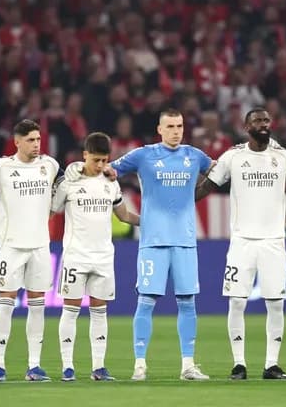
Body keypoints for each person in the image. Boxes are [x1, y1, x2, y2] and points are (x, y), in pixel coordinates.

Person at [67, 109, 214, 381]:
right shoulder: (143, 154)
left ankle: (188, 365)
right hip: (153, 242)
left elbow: (221, 172)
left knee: (187, 302)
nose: (176, 131)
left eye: (180, 126)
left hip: (184, 241)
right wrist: (76, 167)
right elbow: (107, 170)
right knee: (146, 302)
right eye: (170, 126)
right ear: (160, 129)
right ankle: (140, 364)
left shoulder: (194, 156)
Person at [195, 108, 286, 380]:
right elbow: (206, 187)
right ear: (246, 126)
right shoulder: (233, 157)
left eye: (266, 120)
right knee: (237, 302)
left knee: (276, 304)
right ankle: (239, 364)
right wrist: (178, 202)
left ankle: (271, 364)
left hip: (273, 241)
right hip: (242, 242)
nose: (263, 124)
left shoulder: (282, 156)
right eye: (257, 121)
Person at [51, 132, 140, 382]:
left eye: (104, 160)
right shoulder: (69, 182)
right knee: (70, 310)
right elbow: (51, 210)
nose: (101, 165)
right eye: (96, 160)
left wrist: (148, 222)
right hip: (75, 256)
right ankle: (67, 367)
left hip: (103, 257)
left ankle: (99, 368)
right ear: (85, 155)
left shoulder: (110, 182)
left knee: (99, 312)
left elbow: (123, 215)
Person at [0, 119, 61, 382]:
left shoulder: (49, 165)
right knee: (6, 305)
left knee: (37, 306)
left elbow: (63, 188)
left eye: (38, 139)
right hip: (11, 246)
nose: (36, 144)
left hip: (39, 245)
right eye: (30, 140)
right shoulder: (0, 167)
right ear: (17, 141)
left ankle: (34, 366)